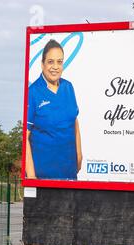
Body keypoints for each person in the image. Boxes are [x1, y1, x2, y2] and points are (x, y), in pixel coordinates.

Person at [26, 39, 82, 180]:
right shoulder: (33, 93)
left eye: (59, 61)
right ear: (42, 64)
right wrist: (32, 177)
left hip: (69, 175)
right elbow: (24, 137)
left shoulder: (68, 87)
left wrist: (79, 155)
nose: (55, 67)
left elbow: (74, 121)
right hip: (43, 178)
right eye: (50, 62)